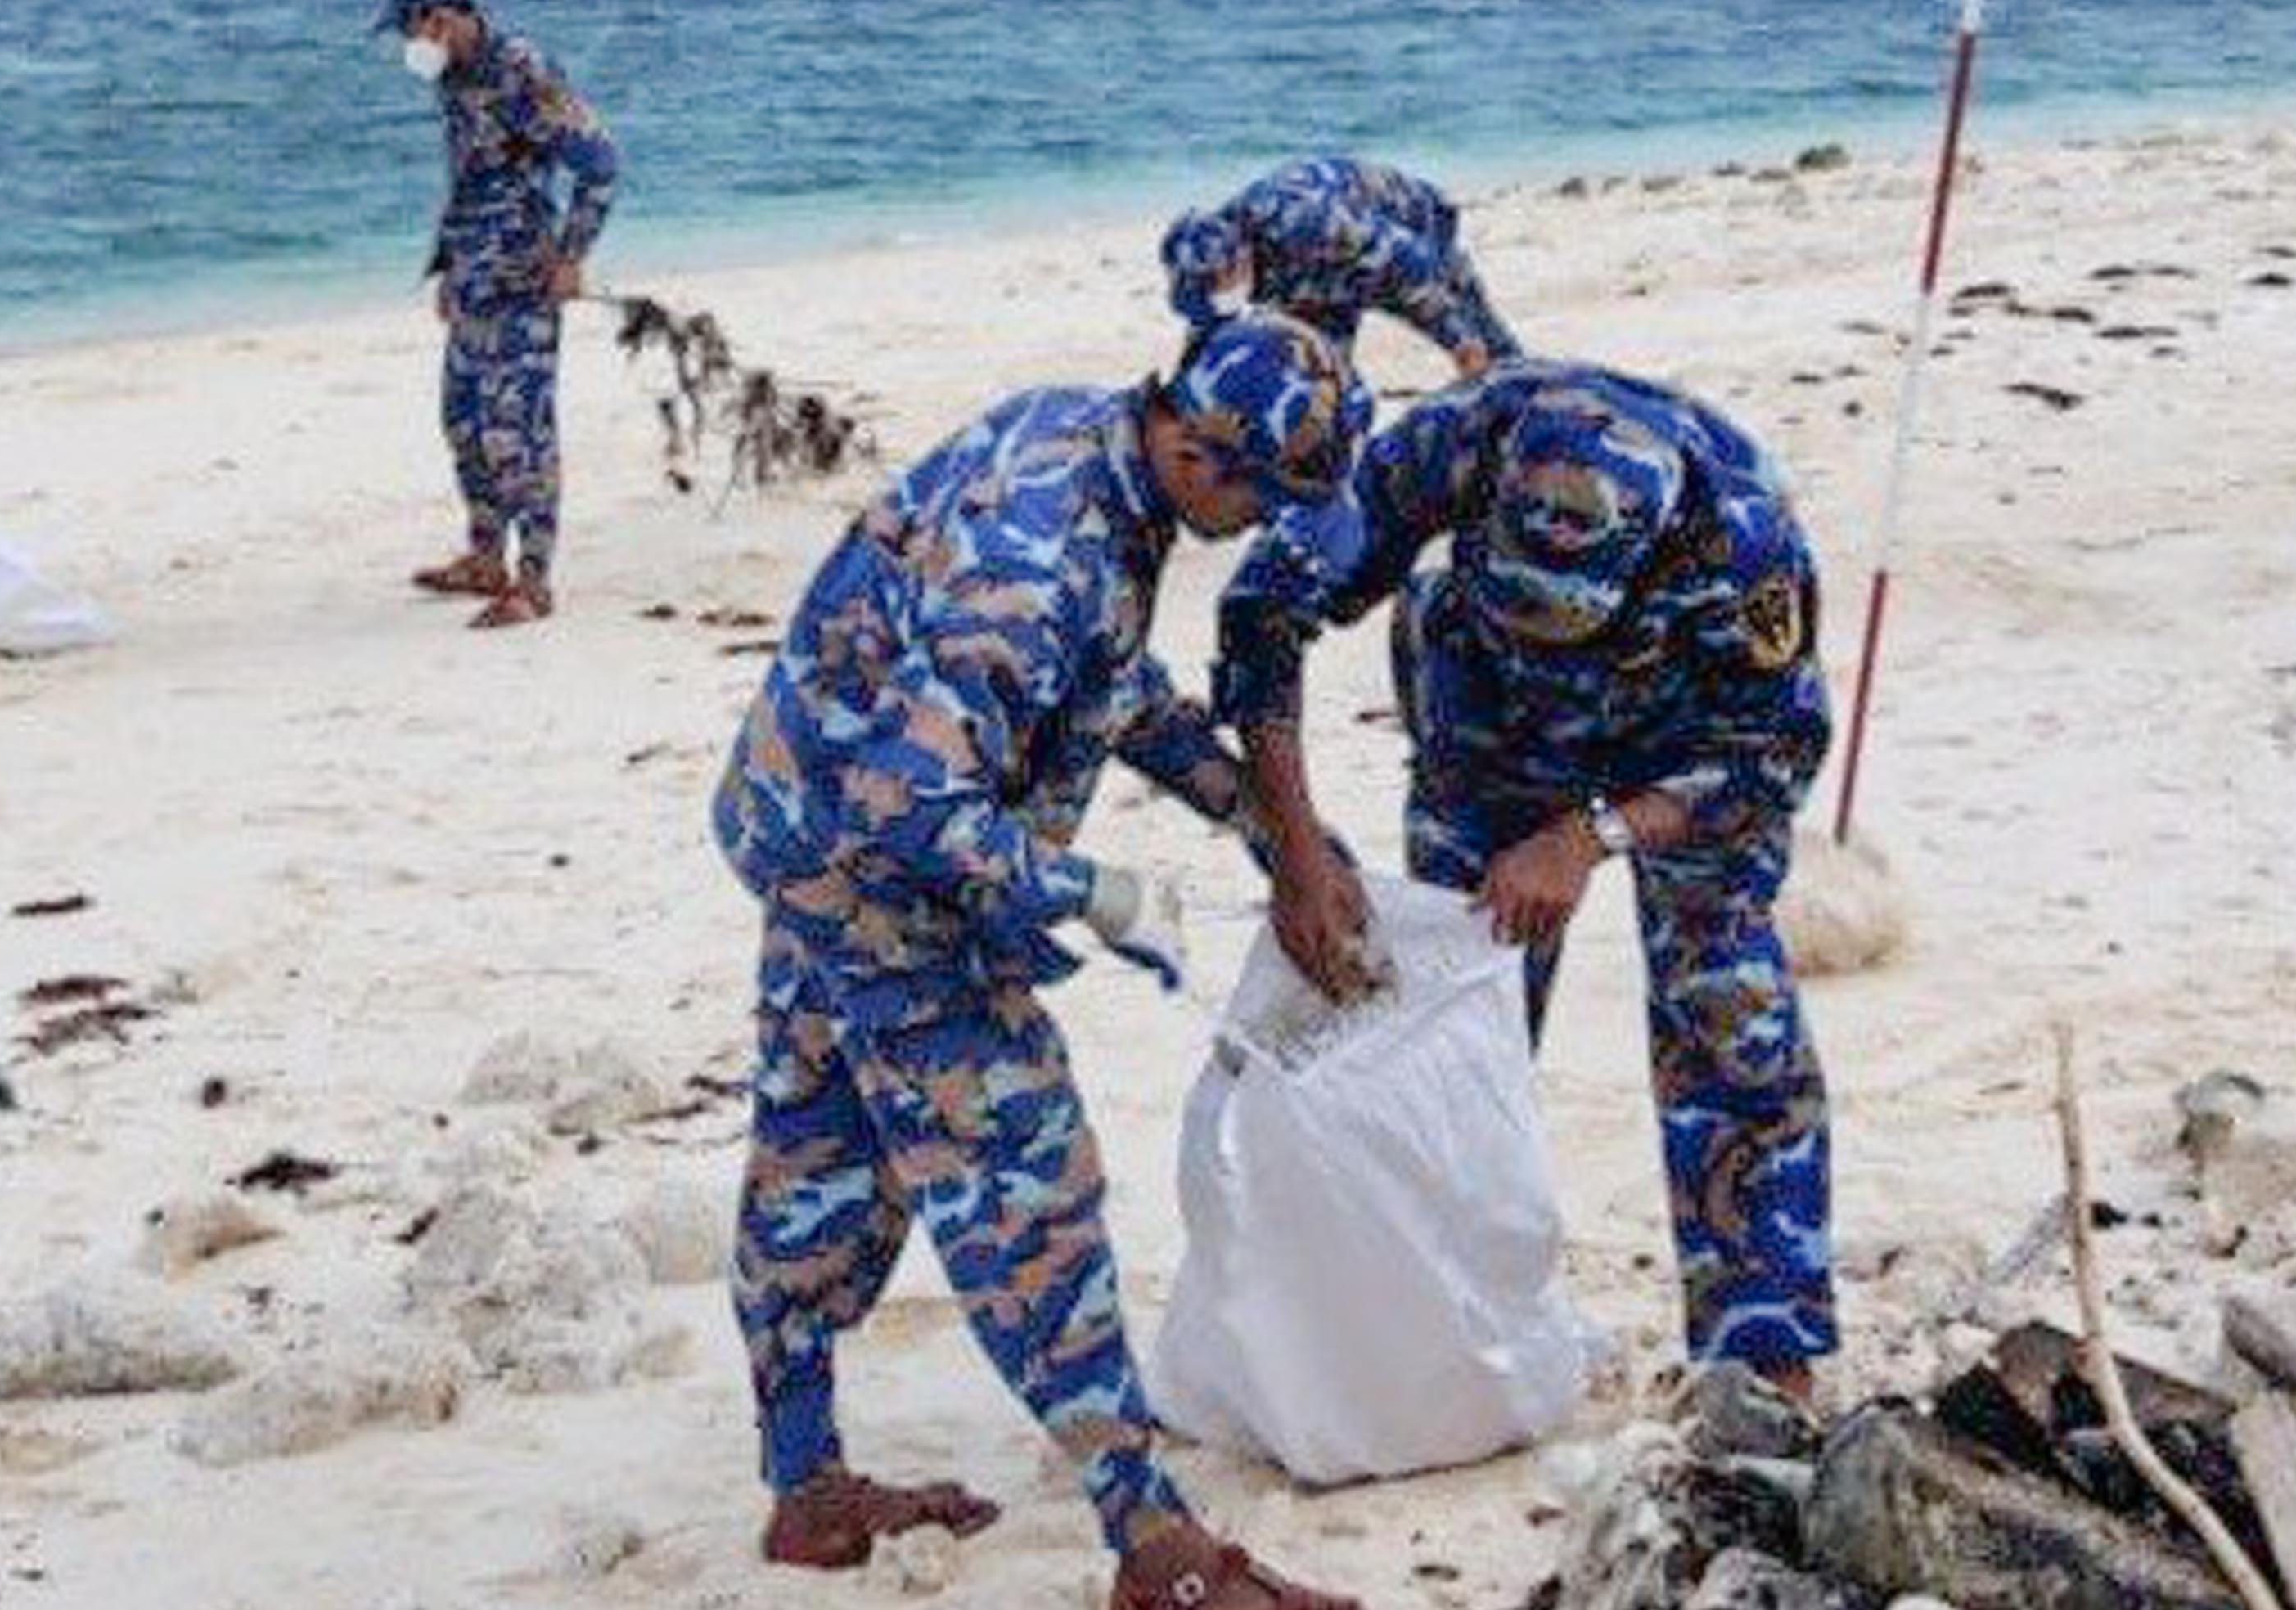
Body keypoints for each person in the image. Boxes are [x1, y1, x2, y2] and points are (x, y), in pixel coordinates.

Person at [710, 318, 1367, 1610]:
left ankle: (804, 1487)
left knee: (818, 1156)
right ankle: (1157, 1551)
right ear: (1196, 450)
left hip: (799, 819)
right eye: (1264, 500)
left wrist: (1265, 823)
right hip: (872, 874)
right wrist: (1098, 892)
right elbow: (916, 802)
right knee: (1025, 1177)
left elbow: (1109, 682)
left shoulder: (1098, 442)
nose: (1261, 526)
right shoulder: (1039, 557)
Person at [1217, 360, 1837, 1396]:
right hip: (1487, 717)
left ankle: (1763, 1353)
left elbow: (1767, 757)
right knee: (1452, 1020)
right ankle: (1440, 1334)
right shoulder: (1449, 443)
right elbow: (1264, 612)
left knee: (1730, 1013)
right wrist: (1294, 845)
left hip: (1683, 732)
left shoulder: (1743, 538)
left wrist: (1592, 836)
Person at [380, 0, 620, 627]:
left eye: (410, 27)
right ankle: (485, 558)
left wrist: (571, 257)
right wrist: (448, 269)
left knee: (522, 434)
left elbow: (600, 165)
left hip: (523, 283)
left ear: (441, 18)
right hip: (474, 281)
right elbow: (467, 176)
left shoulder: (523, 71)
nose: (408, 43)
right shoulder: (454, 78)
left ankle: (534, 581)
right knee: (463, 422)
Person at [1160, 156, 1518, 384]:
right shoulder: (1214, 248)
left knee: (1491, 357)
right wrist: (1179, 397)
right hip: (1317, 279)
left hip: (1410, 237)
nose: (1214, 300)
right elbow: (1205, 331)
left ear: (1237, 262)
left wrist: (1459, 342)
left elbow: (1411, 263)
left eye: (1214, 289)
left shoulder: (1306, 221)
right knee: (1318, 384)